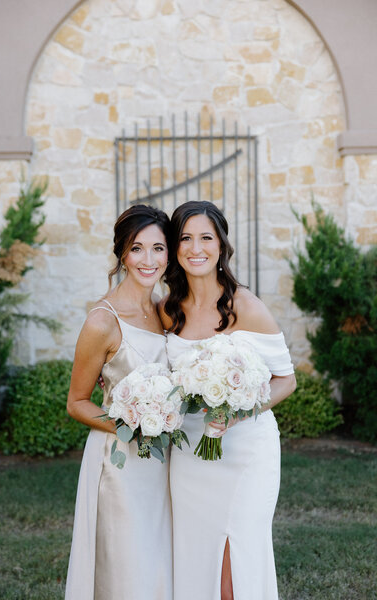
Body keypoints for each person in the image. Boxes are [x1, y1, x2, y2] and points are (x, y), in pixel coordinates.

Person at [159, 200, 296, 600]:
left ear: (221, 245)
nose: (195, 248)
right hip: (189, 457)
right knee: (197, 554)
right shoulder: (169, 310)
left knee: (233, 564)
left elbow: (286, 380)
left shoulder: (245, 306)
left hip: (245, 453)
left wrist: (239, 411)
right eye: (185, 238)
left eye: (206, 237)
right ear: (175, 247)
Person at [65, 204, 173, 600]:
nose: (149, 260)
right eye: (137, 248)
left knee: (161, 563)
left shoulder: (166, 310)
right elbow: (77, 401)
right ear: (122, 254)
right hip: (120, 463)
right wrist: (133, 424)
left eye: (158, 249)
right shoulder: (102, 320)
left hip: (165, 462)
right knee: (127, 569)